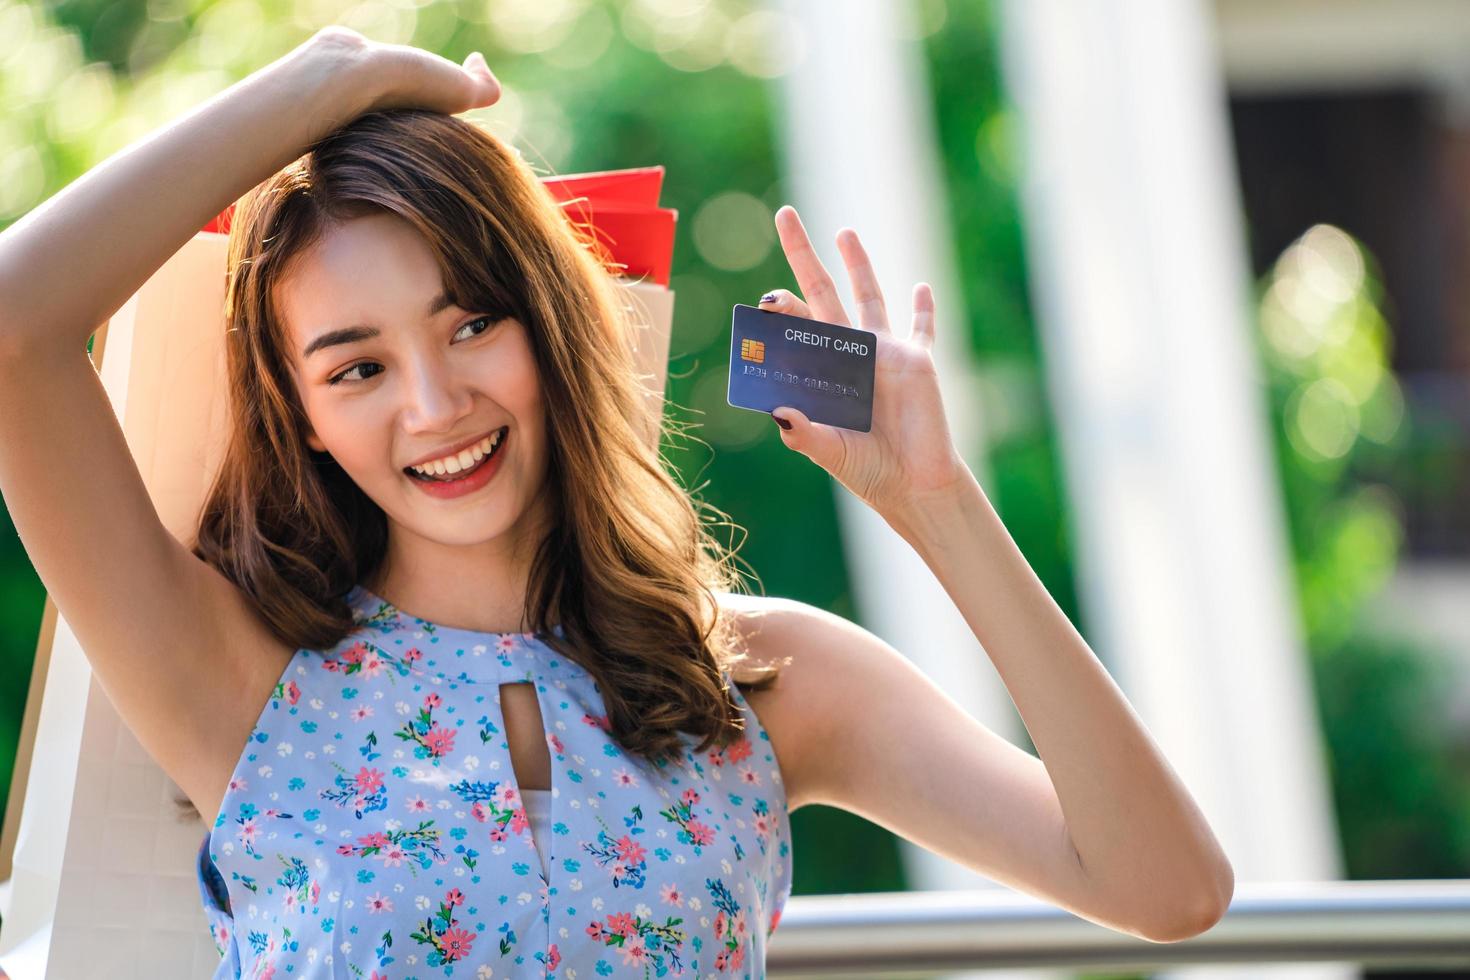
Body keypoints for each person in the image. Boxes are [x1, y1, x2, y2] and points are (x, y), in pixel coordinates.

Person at [0, 25, 1233, 979]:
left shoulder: (757, 674)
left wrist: (938, 505)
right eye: (358, 366)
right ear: (303, 416)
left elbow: (1168, 885)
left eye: (473, 321)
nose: (434, 404)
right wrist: (317, 88)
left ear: (552, 326)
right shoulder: (236, 674)